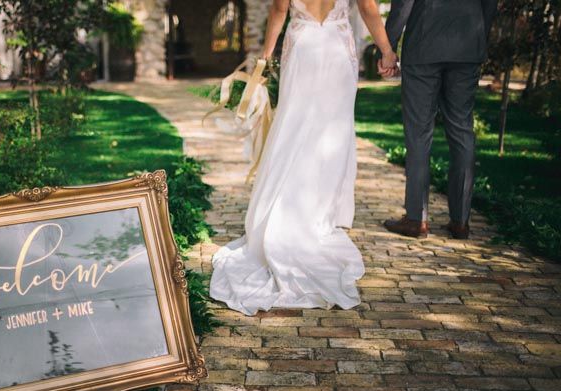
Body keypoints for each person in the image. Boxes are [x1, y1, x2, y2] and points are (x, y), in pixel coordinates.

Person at [208, 0, 397, 315]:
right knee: (331, 133)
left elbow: (280, 9)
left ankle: (291, 206)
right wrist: (387, 51)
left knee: (294, 128)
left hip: (304, 48)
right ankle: (319, 214)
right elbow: (368, 8)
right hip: (337, 50)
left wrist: (265, 57)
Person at [382, 0, 498, 239]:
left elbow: (404, 3)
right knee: (462, 129)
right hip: (468, 44)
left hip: (424, 43)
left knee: (419, 133)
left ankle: (417, 218)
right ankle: (461, 221)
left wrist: (388, 46)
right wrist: (478, 36)